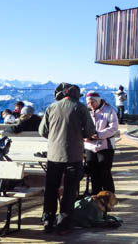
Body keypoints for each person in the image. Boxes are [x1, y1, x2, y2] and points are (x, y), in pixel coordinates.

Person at [39, 82, 96, 235]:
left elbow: (42, 131)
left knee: (51, 190)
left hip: (54, 156)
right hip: (74, 156)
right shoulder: (81, 108)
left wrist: (55, 137)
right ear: (77, 95)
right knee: (70, 191)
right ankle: (63, 225)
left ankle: (48, 221)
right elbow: (90, 130)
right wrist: (79, 134)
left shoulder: (51, 107)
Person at [84, 91, 120, 194]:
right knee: (93, 173)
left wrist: (99, 134)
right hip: (89, 147)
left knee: (105, 173)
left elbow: (114, 128)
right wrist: (84, 135)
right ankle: (96, 197)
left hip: (105, 147)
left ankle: (109, 197)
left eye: (93, 102)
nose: (90, 105)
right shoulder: (86, 112)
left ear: (98, 101)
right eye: (88, 103)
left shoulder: (109, 110)